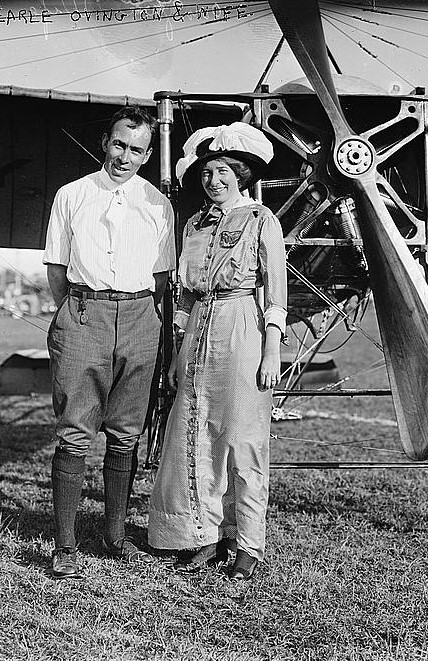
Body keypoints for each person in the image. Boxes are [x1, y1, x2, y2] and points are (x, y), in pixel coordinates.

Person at [148, 122, 287, 581]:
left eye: (224, 171)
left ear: (242, 173)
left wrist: (270, 353)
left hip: (242, 325)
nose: (215, 180)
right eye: (208, 172)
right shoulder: (194, 224)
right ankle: (202, 535)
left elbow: (275, 295)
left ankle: (246, 543)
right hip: (197, 335)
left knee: (243, 438)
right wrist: (175, 353)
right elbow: (185, 296)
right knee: (194, 434)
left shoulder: (262, 219)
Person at [42, 106, 176, 579]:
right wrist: (78, 311)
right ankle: (65, 546)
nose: (126, 156)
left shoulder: (159, 203)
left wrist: (139, 315)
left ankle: (115, 538)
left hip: (141, 316)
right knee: (75, 430)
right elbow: (56, 269)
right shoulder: (72, 194)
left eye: (137, 150)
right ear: (105, 141)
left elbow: (162, 276)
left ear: (146, 155)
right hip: (84, 312)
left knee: (125, 432)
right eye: (119, 144)